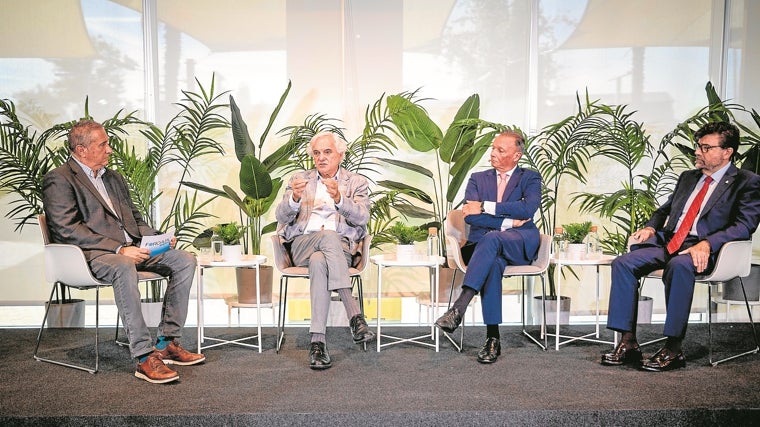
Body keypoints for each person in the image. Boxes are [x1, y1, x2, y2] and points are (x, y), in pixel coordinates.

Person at [42, 120, 204, 384]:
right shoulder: (59, 179)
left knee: (185, 260)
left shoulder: (113, 178)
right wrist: (119, 248)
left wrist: (156, 238)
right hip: (91, 256)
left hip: (132, 250)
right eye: (103, 144)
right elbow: (67, 229)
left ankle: (166, 342)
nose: (110, 149)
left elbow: (135, 221)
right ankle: (143, 357)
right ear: (82, 150)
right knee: (122, 265)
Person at [602, 121, 760, 371]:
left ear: (727, 152)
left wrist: (708, 243)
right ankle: (628, 341)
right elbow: (664, 209)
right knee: (623, 263)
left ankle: (673, 348)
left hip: (710, 250)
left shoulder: (746, 181)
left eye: (706, 147)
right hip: (671, 242)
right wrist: (651, 227)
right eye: (698, 146)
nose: (698, 152)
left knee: (678, 266)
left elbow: (744, 225)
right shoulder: (688, 177)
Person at [434, 131, 542, 363]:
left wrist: (485, 206)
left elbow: (528, 210)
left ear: (516, 156)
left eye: (500, 150)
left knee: (491, 238)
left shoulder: (530, 178)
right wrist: (508, 221)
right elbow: (471, 218)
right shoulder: (478, 178)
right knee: (492, 261)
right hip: (487, 248)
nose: (492, 153)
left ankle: (459, 307)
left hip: (519, 243)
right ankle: (493, 339)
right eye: (493, 148)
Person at [274, 131, 374, 370]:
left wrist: (340, 198)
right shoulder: (300, 179)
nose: (321, 158)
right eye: (316, 153)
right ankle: (354, 315)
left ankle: (317, 343)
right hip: (302, 245)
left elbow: (362, 217)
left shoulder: (355, 182)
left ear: (340, 154)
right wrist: (294, 199)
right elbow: (281, 216)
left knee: (320, 260)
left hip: (340, 249)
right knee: (325, 239)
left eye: (327, 152)